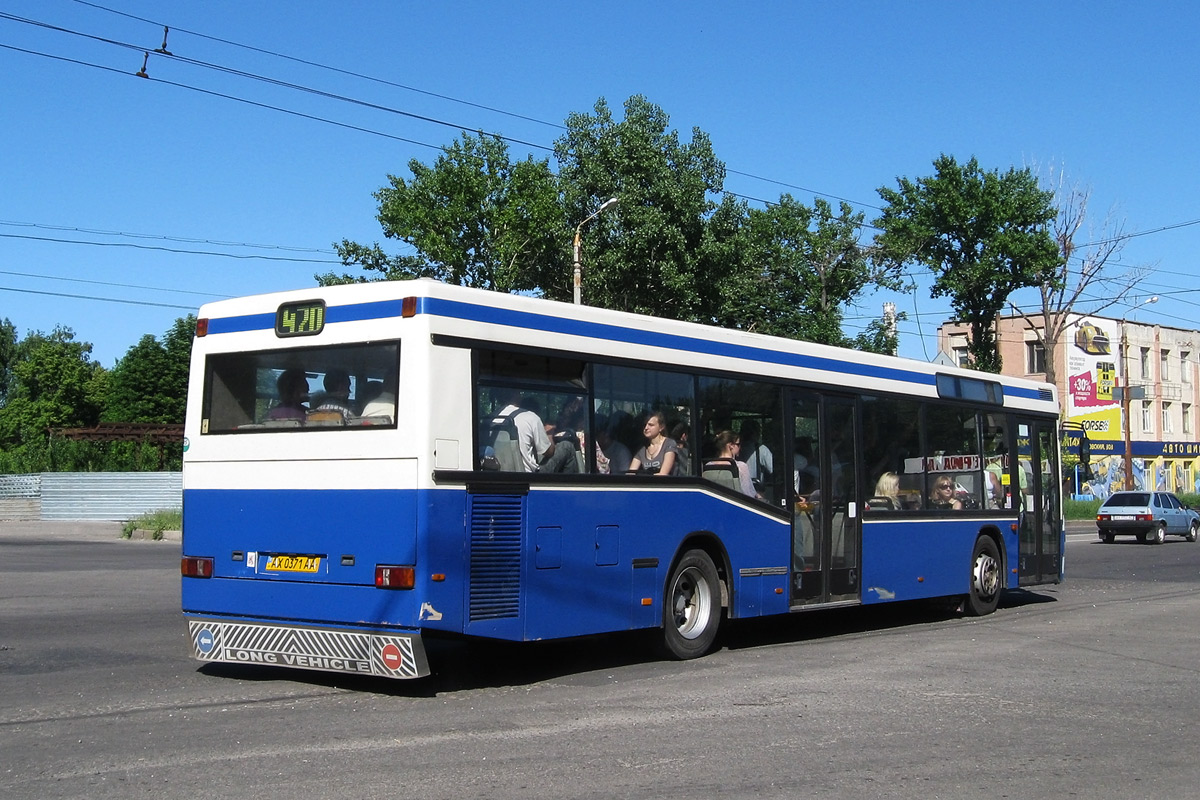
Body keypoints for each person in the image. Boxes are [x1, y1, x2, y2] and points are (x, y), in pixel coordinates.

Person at [487, 390, 555, 473]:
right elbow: (548, 452)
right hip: (528, 476)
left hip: (499, 473)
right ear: (516, 394)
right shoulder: (530, 417)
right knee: (567, 446)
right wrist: (550, 434)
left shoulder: (488, 420)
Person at [705, 430, 757, 497]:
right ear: (731, 446)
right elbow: (749, 494)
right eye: (738, 444)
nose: (740, 447)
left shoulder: (708, 466)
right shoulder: (740, 467)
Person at [629, 411, 679, 476]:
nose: (646, 428)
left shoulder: (669, 444)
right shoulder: (642, 449)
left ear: (661, 427)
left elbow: (663, 474)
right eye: (645, 425)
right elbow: (630, 473)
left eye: (651, 425)